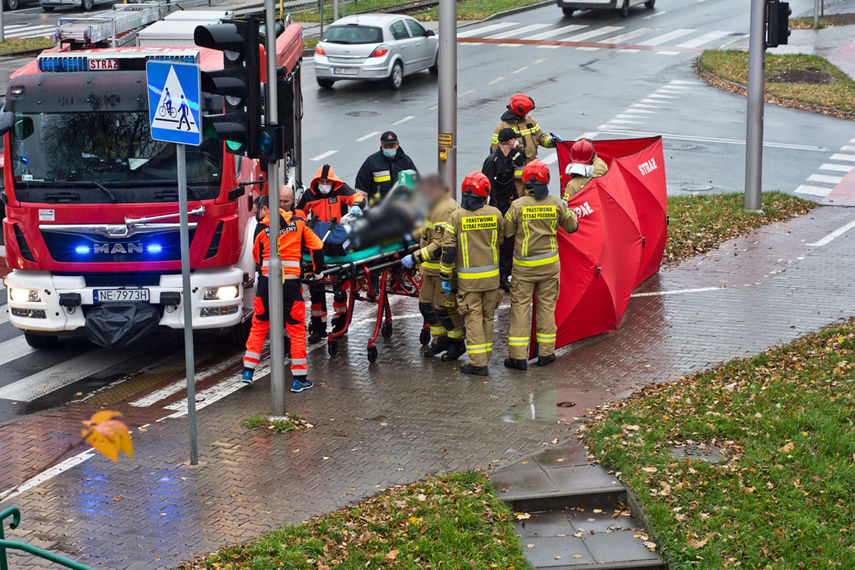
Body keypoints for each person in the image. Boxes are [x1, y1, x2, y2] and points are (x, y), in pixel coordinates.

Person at [242, 196, 325, 392]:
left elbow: (256, 255)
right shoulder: (298, 224)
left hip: (266, 285)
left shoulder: (262, 229)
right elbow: (318, 247)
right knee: (296, 329)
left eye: (257, 212)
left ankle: (248, 371)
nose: (257, 216)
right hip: (290, 284)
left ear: (265, 210)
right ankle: (298, 379)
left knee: (259, 326)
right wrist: (318, 270)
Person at [504, 159, 578, 371]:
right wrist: (566, 208)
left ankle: (517, 358)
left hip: (524, 269)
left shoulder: (517, 206)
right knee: (546, 307)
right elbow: (572, 226)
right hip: (549, 268)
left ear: (526, 182)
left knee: (519, 309)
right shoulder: (555, 204)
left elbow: (507, 233)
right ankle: (546, 354)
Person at [440, 172, 504, 376]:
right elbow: (501, 240)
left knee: (473, 319)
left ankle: (478, 363)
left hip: (469, 283)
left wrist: (445, 277)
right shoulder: (496, 214)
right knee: (488, 318)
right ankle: (485, 357)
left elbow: (448, 250)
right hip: (492, 280)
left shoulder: (457, 216)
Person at [297, 164, 365, 343]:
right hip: (317, 242)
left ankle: (340, 324)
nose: (325, 184)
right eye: (322, 182)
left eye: (327, 181)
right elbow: (298, 213)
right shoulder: (310, 195)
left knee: (340, 289)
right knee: (316, 289)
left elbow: (356, 197)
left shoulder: (340, 190)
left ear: (333, 182)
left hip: (337, 242)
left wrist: (357, 205)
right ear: (317, 182)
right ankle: (317, 327)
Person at [400, 174, 465, 360]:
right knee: (426, 305)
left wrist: (415, 257)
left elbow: (440, 244)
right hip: (430, 270)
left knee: (445, 309)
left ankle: (457, 344)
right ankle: (440, 340)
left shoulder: (445, 209)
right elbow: (424, 233)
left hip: (444, 269)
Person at [482, 128, 525, 291]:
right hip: (496, 208)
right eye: (514, 139)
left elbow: (511, 182)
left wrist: (516, 199)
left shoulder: (508, 159)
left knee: (508, 241)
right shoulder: (492, 161)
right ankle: (495, 275)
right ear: (509, 142)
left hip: (508, 206)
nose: (517, 142)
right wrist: (492, 210)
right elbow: (487, 187)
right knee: (496, 243)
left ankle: (503, 276)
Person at [490, 94, 558, 169]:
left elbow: (540, 137)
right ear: (519, 112)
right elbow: (495, 150)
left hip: (532, 167)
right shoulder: (502, 126)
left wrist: (551, 141)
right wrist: (512, 155)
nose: (529, 114)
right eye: (527, 112)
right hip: (514, 171)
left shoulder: (530, 122)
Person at [355, 131, 418, 205]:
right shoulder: (372, 161)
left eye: (391, 147)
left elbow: (416, 184)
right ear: (381, 145)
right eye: (385, 147)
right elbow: (361, 188)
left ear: (397, 145)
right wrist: (358, 205)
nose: (388, 149)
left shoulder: (406, 161)